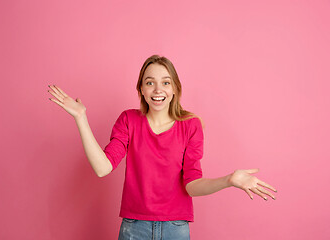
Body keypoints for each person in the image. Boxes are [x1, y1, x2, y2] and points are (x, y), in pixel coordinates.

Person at [47, 55, 277, 240]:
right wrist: (81, 117)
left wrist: (229, 180)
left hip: (175, 229)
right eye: (150, 83)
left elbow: (193, 185)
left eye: (165, 82)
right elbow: (102, 168)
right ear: (142, 91)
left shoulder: (190, 126)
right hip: (133, 228)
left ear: (175, 89)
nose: (158, 89)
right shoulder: (129, 120)